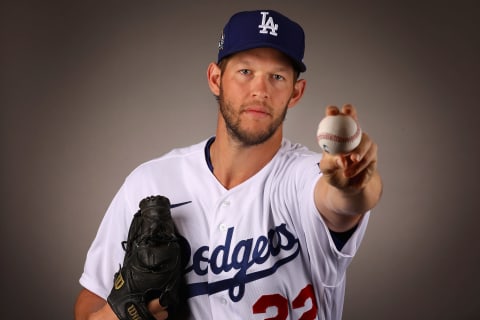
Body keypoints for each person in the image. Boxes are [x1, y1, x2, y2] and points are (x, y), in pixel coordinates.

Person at [74, 9, 382, 320]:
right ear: (215, 79)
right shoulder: (150, 182)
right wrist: (121, 316)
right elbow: (89, 304)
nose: (260, 89)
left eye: (277, 76)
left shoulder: (304, 176)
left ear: (295, 92)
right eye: (246, 71)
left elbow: (341, 200)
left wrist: (354, 184)